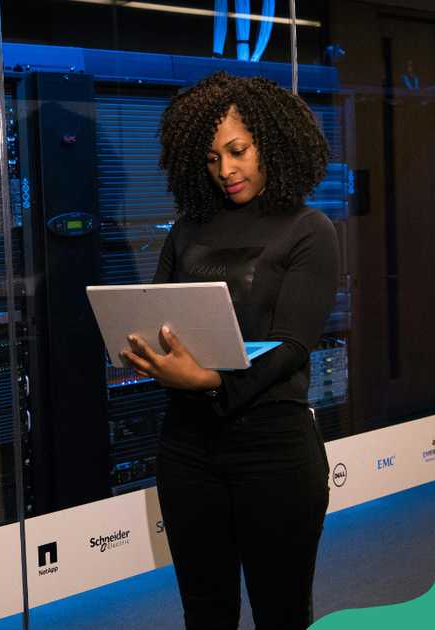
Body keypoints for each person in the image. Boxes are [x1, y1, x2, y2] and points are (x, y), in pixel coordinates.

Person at [120, 71, 338, 629]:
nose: (226, 171)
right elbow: (156, 315)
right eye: (213, 158)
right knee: (206, 613)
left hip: (275, 451)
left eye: (238, 151)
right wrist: (142, 349)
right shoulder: (186, 230)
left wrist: (210, 381)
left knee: (280, 613)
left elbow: (293, 345)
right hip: (188, 450)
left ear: (272, 141)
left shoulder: (309, 229)